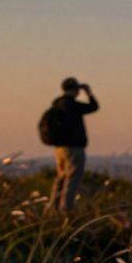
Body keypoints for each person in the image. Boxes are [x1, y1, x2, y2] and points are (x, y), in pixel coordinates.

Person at [49, 76, 99, 213]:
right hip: (73, 147)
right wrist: (88, 93)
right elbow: (94, 107)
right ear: (74, 89)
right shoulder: (72, 105)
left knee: (61, 177)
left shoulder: (57, 104)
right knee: (73, 178)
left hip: (59, 148)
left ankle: (54, 207)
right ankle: (66, 208)